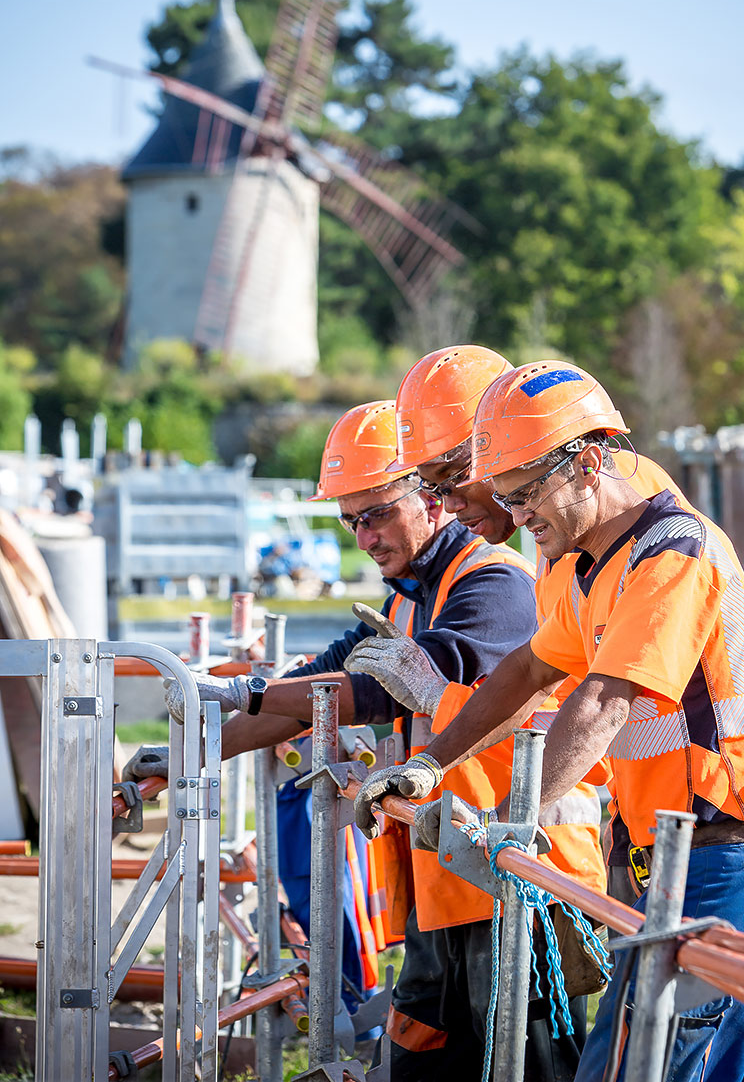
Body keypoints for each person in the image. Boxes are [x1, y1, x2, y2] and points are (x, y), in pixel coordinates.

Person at [355, 361, 744, 1082]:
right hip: (685, 859)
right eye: (505, 495)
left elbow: (604, 702)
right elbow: (528, 671)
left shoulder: (670, 554)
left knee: (633, 1068)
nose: (519, 515)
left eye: (526, 493)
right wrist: (429, 763)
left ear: (590, 463)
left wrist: (510, 819)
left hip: (730, 863)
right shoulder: (583, 565)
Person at [125, 397, 542, 1079]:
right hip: (449, 868)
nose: (365, 538)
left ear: (431, 496)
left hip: (509, 866)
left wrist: (244, 690)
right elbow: (316, 691)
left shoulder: (492, 587)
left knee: (524, 1060)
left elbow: (369, 693)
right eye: (351, 521)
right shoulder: (408, 593)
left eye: (377, 513)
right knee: (426, 1057)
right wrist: (189, 753)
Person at [347, 347, 606, 1079]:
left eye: (450, 480)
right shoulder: (553, 564)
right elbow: (526, 682)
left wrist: (434, 711)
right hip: (474, 856)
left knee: (532, 1058)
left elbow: (588, 705)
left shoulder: (507, 577)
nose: (449, 501)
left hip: (528, 862)